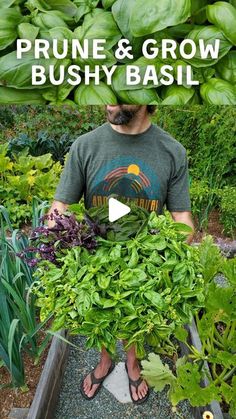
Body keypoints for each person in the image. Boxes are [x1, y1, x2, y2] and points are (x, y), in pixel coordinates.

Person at [47, 105, 194, 404]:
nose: (111, 101)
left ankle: (131, 361)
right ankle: (103, 360)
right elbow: (59, 207)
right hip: (96, 265)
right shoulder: (85, 146)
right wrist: (54, 232)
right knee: (98, 319)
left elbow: (182, 219)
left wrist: (175, 250)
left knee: (136, 320)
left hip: (141, 266)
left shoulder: (171, 151)